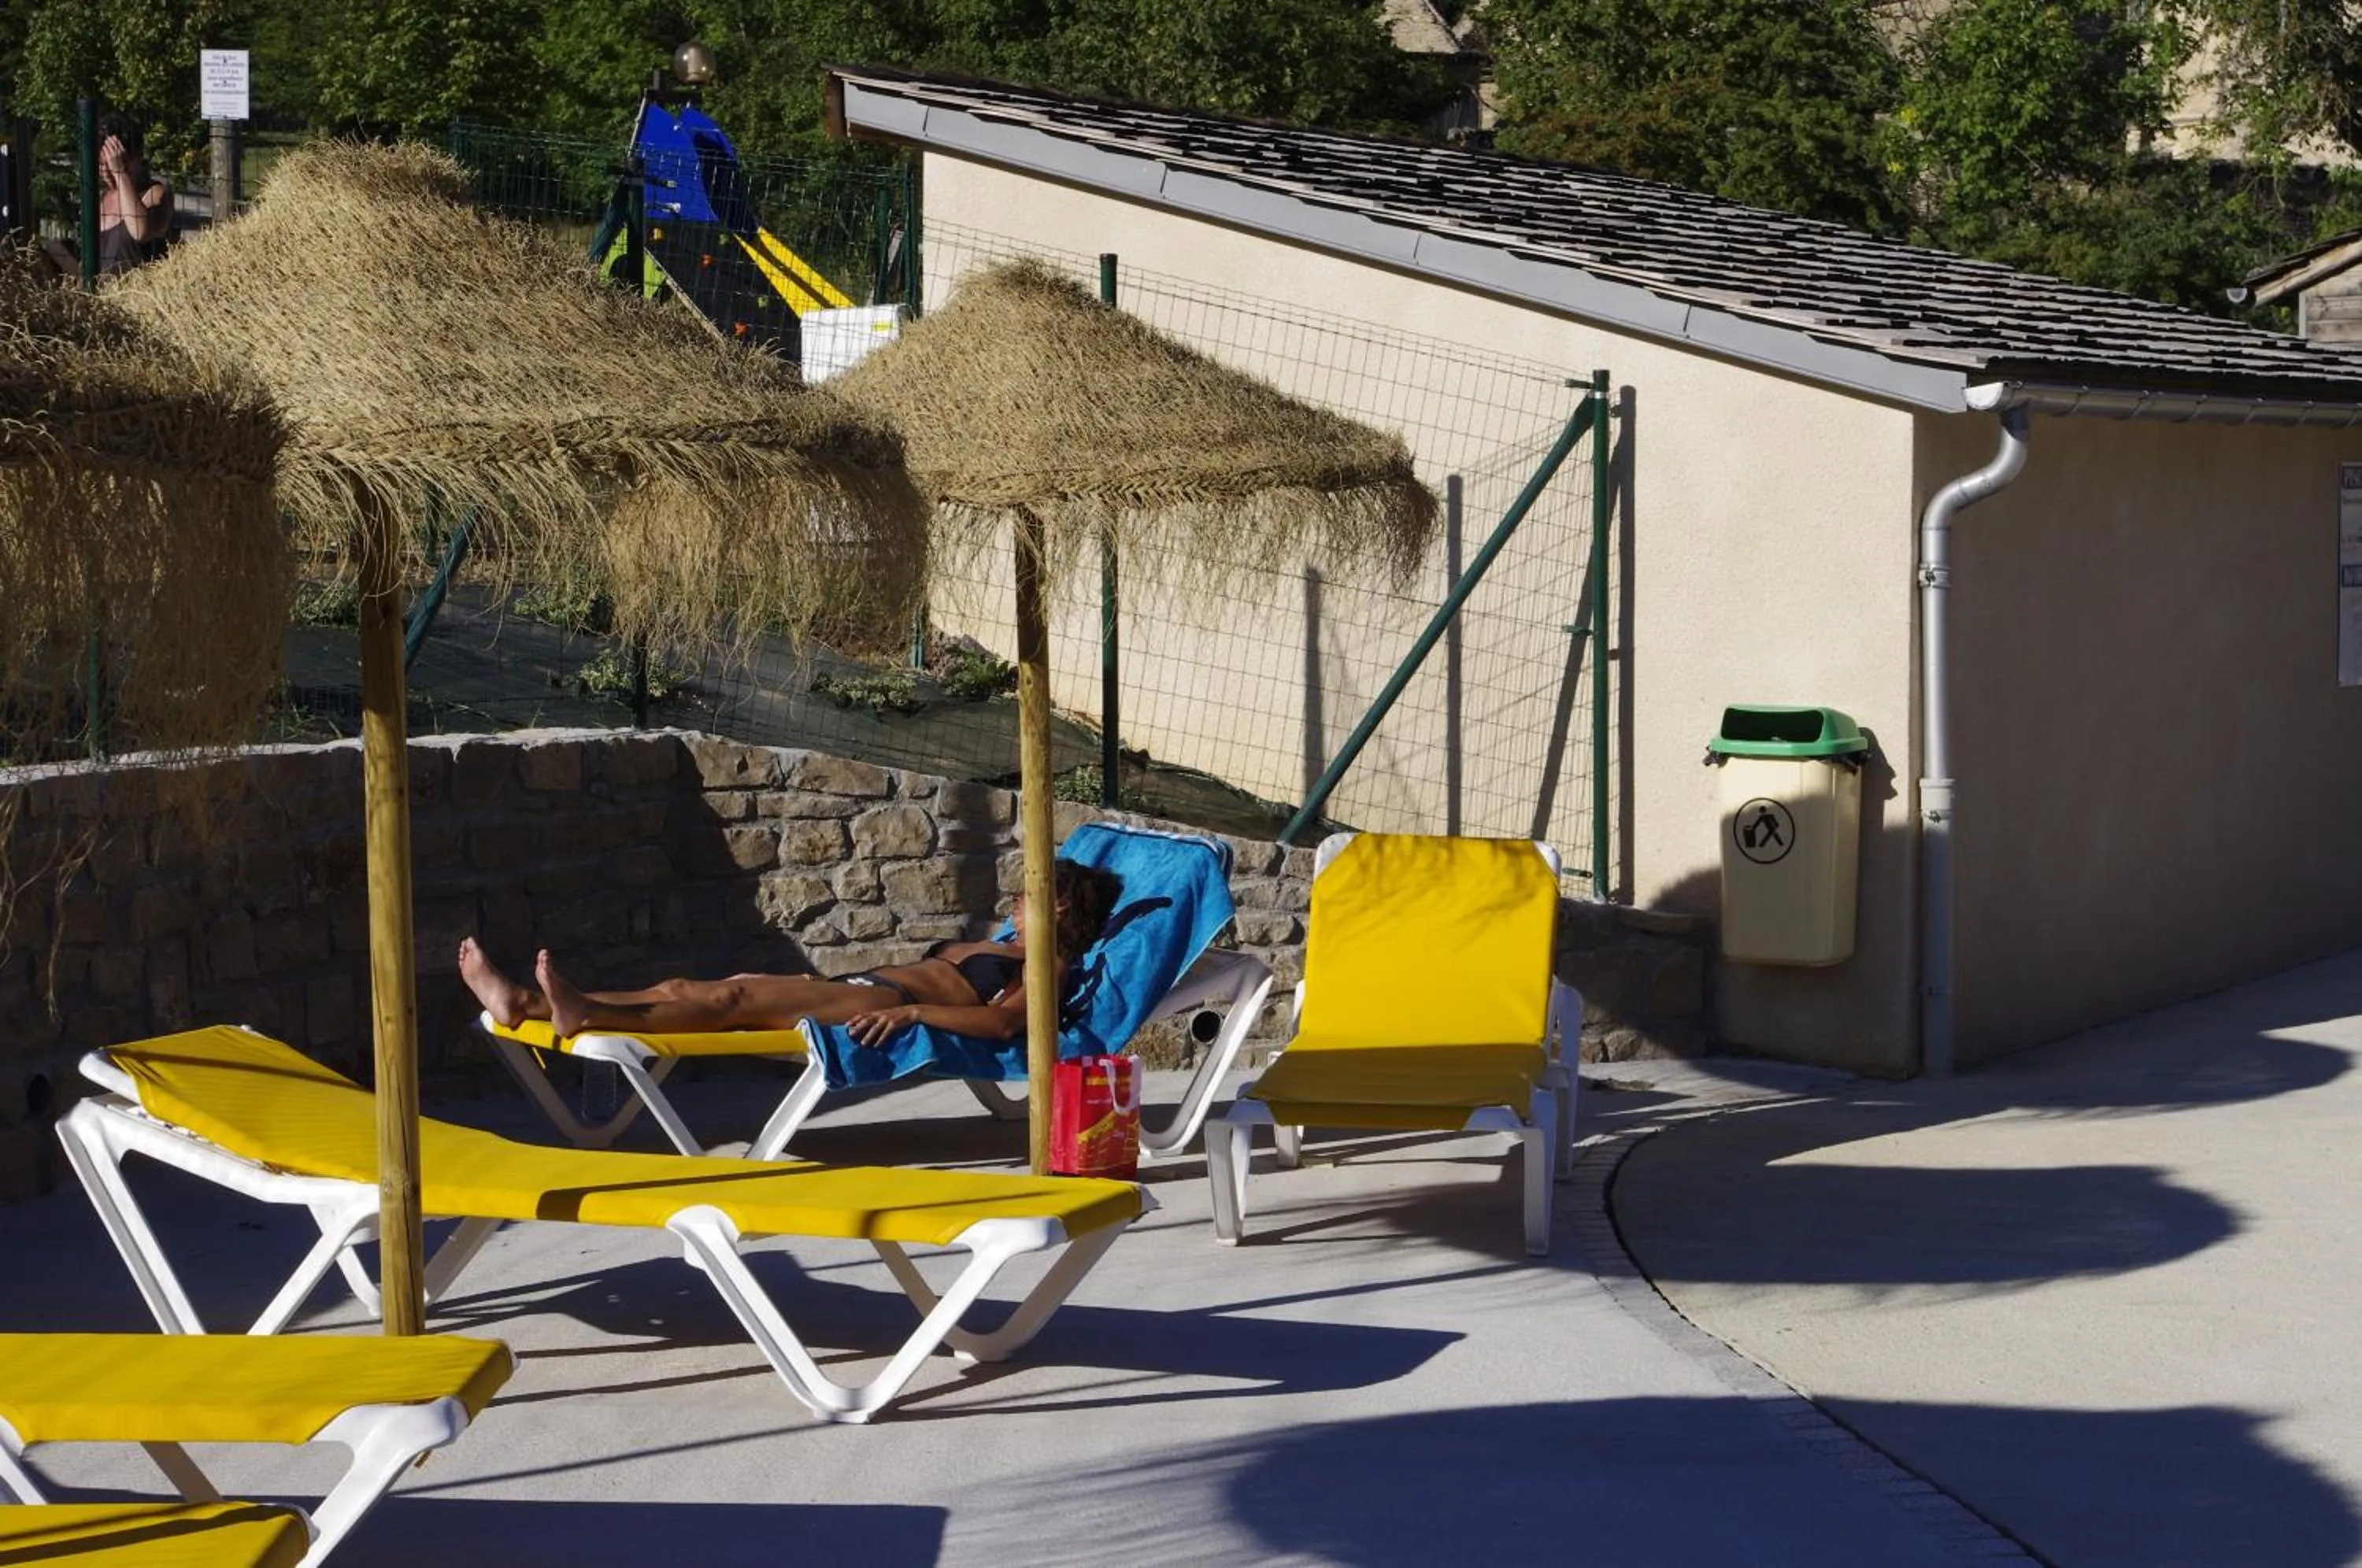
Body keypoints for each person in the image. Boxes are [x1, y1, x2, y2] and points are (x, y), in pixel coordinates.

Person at [459, 860, 1123, 1048]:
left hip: (884, 1005)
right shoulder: (1005, 944)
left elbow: (1009, 1025)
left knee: (728, 1000)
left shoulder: (1046, 964)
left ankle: (585, 1014)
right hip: (856, 984)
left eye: (1031, 893)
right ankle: (529, 1002)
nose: (1016, 898)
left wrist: (917, 1015)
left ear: (1061, 907)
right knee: (688, 984)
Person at [95, 113, 172, 278]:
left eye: (114, 162)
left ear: (137, 157)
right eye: (102, 164)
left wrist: (120, 173)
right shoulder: (100, 199)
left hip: (137, 297)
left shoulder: (155, 194)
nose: (107, 171)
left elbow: (140, 232)